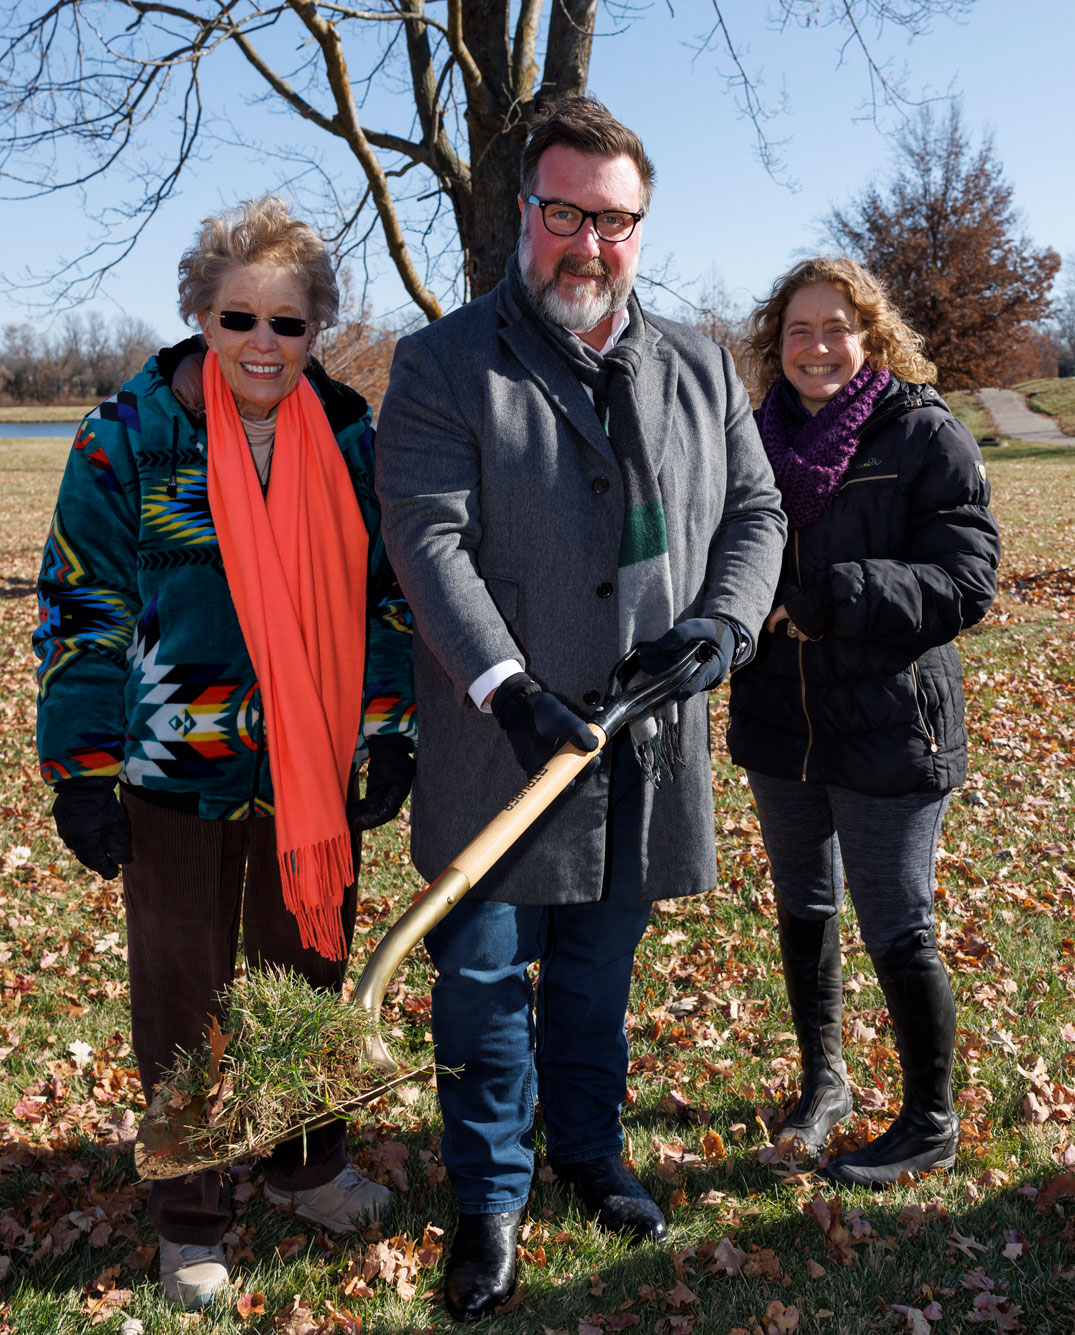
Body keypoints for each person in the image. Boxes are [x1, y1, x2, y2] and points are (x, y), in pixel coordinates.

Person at [375, 95, 786, 1321]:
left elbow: (756, 516)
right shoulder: (443, 364)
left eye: (614, 221)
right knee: (487, 985)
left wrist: (722, 624)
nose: (588, 245)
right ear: (523, 215)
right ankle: (490, 1195)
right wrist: (506, 688)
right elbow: (426, 540)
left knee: (600, 972)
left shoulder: (698, 364)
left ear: (640, 229)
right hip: (501, 750)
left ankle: (587, 1153)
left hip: (645, 749)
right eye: (566, 214)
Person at [33, 196, 416, 1309]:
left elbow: (388, 600)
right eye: (238, 315)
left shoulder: (351, 437)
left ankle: (304, 1165)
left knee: (305, 976)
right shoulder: (129, 433)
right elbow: (80, 602)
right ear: (200, 313)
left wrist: (388, 732)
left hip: (311, 768)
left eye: (288, 324)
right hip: (171, 767)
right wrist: (82, 769)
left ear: (316, 331)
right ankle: (191, 1213)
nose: (262, 343)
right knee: (184, 989)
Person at [727, 256, 1000, 1187]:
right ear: (775, 342)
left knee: (896, 921)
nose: (815, 346)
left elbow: (966, 580)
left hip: (889, 720)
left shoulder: (922, 433)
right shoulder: (747, 439)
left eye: (834, 327)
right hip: (779, 717)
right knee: (803, 907)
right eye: (797, 330)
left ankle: (928, 1118)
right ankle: (824, 1082)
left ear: (870, 337)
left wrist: (834, 594)